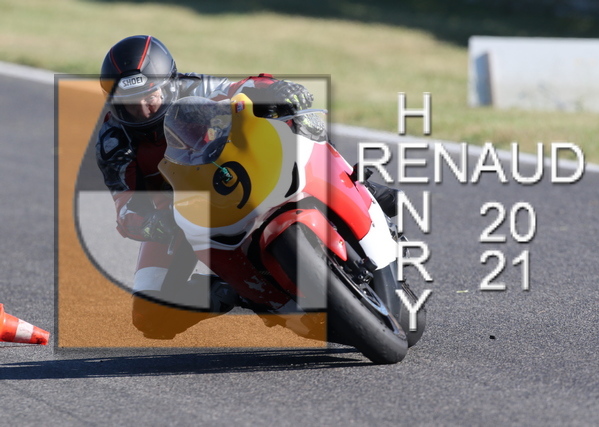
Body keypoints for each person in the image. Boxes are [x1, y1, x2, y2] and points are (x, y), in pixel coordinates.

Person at [96, 35, 398, 340]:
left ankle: (358, 187)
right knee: (150, 315)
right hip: (181, 213)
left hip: (238, 167)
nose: (143, 109)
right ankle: (240, 292)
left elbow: (242, 87)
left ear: (168, 84)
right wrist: (150, 223)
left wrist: (277, 88)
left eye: (149, 96)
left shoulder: (193, 87)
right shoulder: (114, 143)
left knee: (293, 117)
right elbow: (125, 207)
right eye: (130, 103)